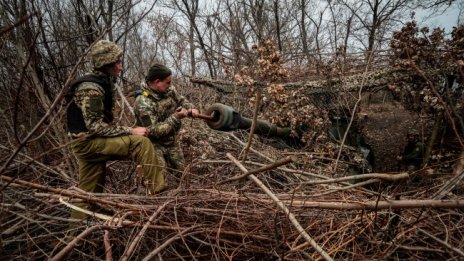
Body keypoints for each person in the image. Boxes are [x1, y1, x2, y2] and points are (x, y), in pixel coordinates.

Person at [66, 40, 164, 221]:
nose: (120, 66)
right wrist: (130, 130)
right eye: (117, 63)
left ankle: (73, 237)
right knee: (141, 143)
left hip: (84, 143)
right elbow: (95, 127)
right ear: (106, 64)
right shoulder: (91, 89)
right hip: (87, 143)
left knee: (86, 193)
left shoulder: (102, 81)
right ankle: (160, 196)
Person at [134, 63, 199, 178]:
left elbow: (181, 100)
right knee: (160, 179)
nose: (170, 85)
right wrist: (176, 117)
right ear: (157, 82)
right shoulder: (143, 102)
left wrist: (191, 108)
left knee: (184, 175)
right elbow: (153, 131)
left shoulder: (168, 89)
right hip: (154, 144)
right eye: (167, 82)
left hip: (171, 139)